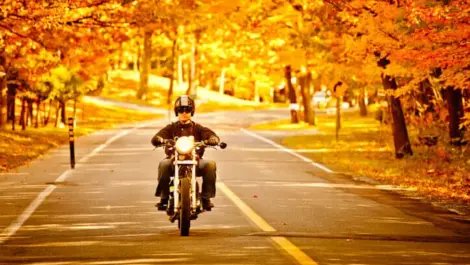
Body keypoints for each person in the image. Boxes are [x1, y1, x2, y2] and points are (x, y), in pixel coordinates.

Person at [151, 95, 220, 211]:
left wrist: (213, 139)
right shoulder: (171, 128)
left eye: (187, 110)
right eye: (181, 110)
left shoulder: (198, 128)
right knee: (163, 165)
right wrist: (159, 139)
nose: (184, 113)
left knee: (210, 165)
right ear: (176, 112)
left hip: (195, 160)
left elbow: (211, 135)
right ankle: (164, 198)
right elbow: (157, 137)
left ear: (192, 111)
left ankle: (206, 198)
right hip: (173, 160)